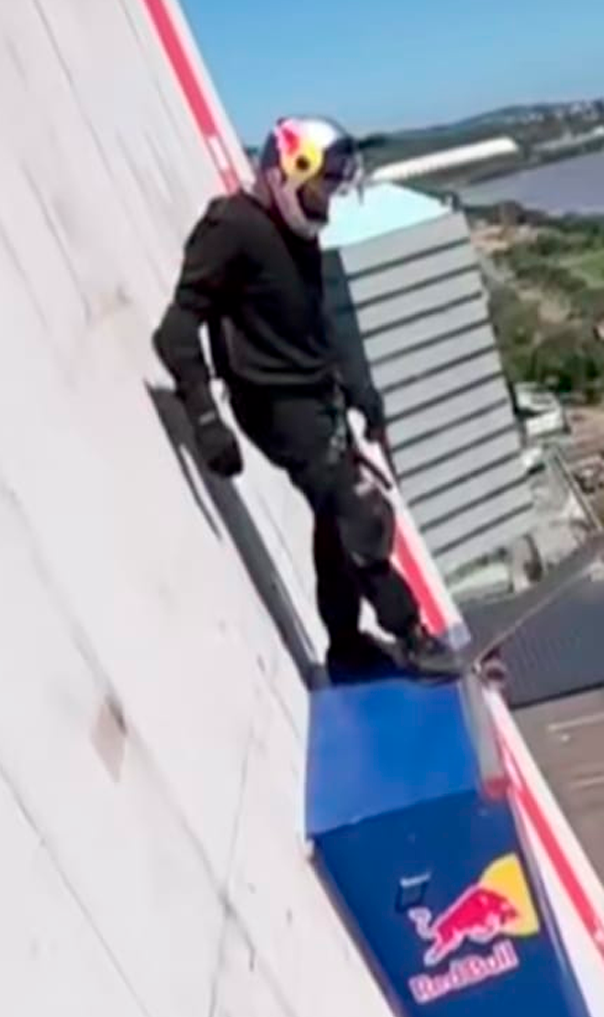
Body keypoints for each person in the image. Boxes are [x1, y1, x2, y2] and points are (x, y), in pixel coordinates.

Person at [152, 115, 463, 680]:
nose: (326, 203)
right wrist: (204, 417)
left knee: (334, 518)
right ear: (284, 175)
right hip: (276, 406)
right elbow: (175, 330)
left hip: (317, 398)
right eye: (321, 188)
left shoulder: (299, 236)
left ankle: (345, 645)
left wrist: (363, 394)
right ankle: (411, 635)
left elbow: (316, 324)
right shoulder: (232, 228)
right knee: (363, 511)